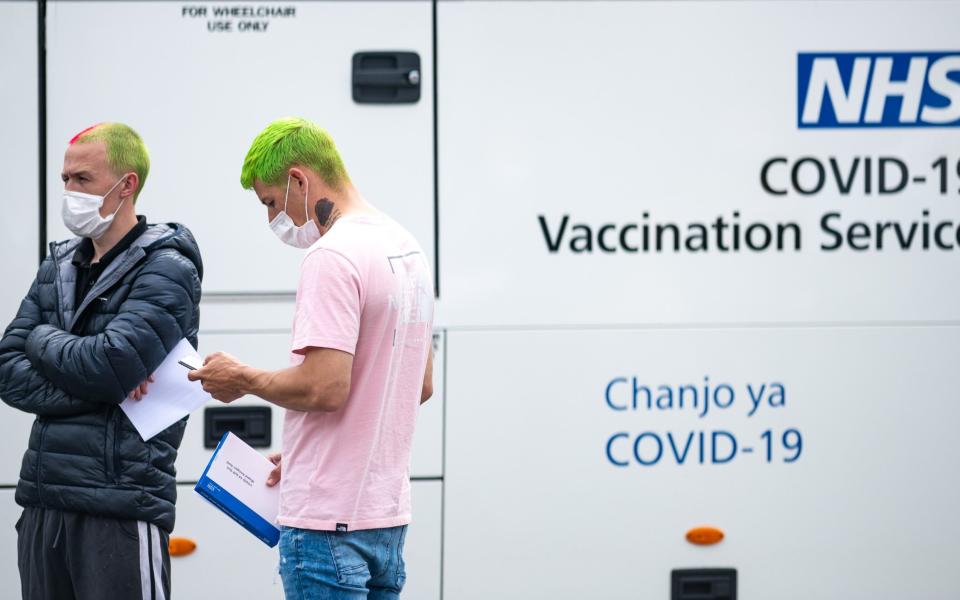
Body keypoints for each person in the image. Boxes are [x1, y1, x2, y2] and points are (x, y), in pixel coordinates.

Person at [189, 117, 434, 599]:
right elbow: (418, 385)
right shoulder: (407, 248)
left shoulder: (332, 255)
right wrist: (312, 450)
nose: (271, 221)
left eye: (271, 203)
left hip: (326, 529)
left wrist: (243, 378)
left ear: (299, 180)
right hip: (385, 520)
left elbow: (324, 387)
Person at [0, 122, 203, 600]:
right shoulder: (59, 265)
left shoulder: (168, 266)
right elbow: (8, 369)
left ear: (126, 184)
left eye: (83, 180)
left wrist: (43, 340)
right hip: (43, 500)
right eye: (66, 179)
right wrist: (103, 384)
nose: (70, 191)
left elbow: (109, 365)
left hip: (121, 507)